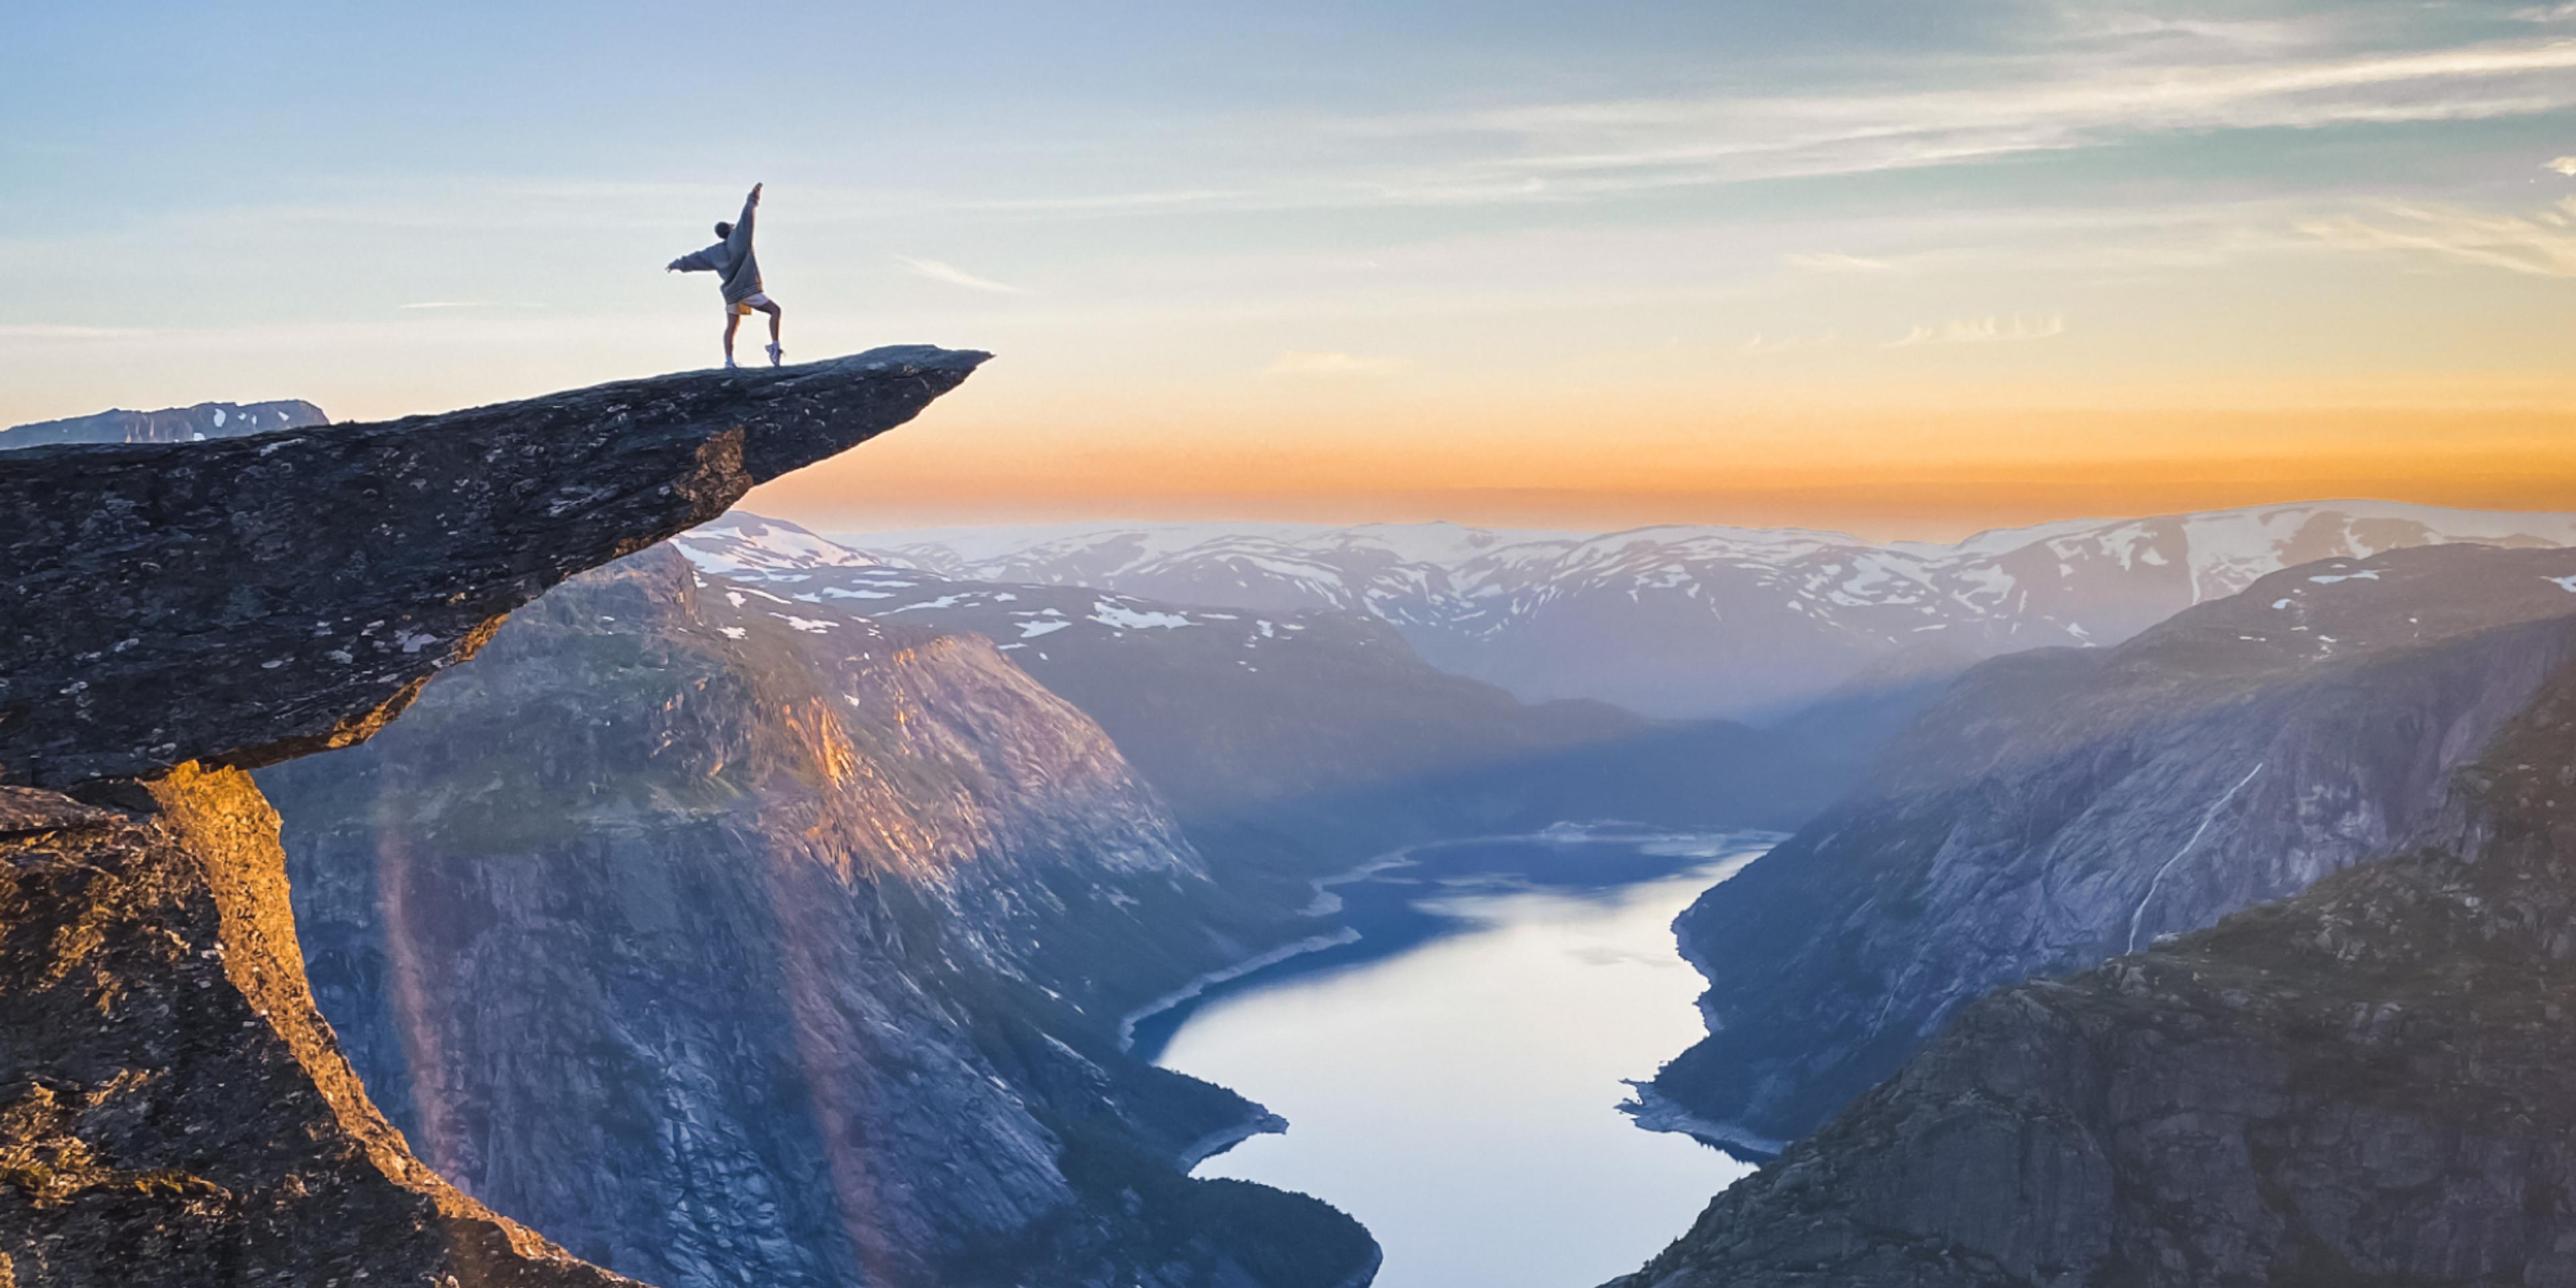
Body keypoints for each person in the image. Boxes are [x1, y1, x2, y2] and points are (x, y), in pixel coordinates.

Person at [666, 182, 782, 368]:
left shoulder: (714, 252)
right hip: (747, 289)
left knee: (733, 326)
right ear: (730, 230)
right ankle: (775, 348)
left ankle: (728, 361)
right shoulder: (740, 239)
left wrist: (678, 264)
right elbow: (747, 218)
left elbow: (697, 258)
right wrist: (753, 198)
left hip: (732, 294)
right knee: (775, 311)